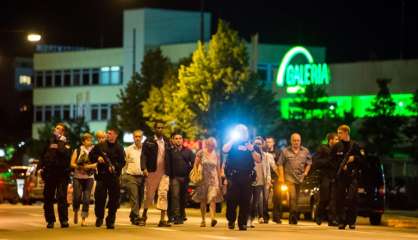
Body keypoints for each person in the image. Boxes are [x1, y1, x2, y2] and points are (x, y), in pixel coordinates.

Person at [223, 124, 261, 231]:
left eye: (243, 131)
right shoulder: (232, 143)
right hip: (234, 176)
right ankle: (231, 220)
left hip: (247, 177)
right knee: (231, 200)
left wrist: (251, 150)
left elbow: (258, 160)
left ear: (246, 133)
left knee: (245, 201)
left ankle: (242, 223)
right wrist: (232, 139)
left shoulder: (252, 145)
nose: (241, 133)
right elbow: (224, 150)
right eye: (238, 131)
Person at [89, 128, 125, 229]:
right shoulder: (100, 146)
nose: (107, 135)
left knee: (114, 200)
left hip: (113, 177)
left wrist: (115, 166)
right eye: (107, 133)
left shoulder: (119, 147)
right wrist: (97, 158)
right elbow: (90, 155)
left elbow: (122, 162)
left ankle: (110, 220)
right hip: (101, 177)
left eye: (110, 133)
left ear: (115, 135)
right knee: (100, 199)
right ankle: (99, 216)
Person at [38, 123, 72, 229]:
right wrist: (40, 167)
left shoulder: (67, 142)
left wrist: (61, 140)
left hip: (62, 174)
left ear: (63, 132)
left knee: (61, 197)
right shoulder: (49, 141)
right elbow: (43, 155)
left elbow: (63, 152)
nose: (56, 130)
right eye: (56, 128)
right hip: (50, 174)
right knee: (48, 197)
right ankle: (50, 220)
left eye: (59, 129)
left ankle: (64, 220)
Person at [331, 125, 364, 230]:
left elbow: (363, 160)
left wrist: (354, 158)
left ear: (346, 133)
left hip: (353, 176)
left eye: (340, 133)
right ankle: (342, 221)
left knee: (352, 199)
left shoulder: (355, 146)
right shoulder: (337, 146)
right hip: (341, 176)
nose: (338, 135)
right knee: (340, 199)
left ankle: (351, 222)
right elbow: (332, 160)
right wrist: (340, 166)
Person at [140, 121, 172, 227]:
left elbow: (171, 157)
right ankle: (144, 215)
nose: (160, 129)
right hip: (152, 172)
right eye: (158, 128)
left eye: (162, 128)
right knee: (148, 195)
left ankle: (162, 219)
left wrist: (171, 171)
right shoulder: (149, 141)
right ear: (154, 129)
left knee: (163, 194)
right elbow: (143, 155)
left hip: (164, 172)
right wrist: (144, 168)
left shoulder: (167, 141)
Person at [278, 133, 312, 225]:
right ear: (291, 141)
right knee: (292, 197)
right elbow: (280, 164)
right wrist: (281, 176)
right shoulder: (285, 151)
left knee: (296, 198)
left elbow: (309, 162)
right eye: (294, 140)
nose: (296, 142)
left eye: (298, 140)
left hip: (300, 178)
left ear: (300, 141)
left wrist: (306, 172)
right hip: (289, 178)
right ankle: (293, 217)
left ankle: (292, 215)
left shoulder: (305, 151)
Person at [192, 137, 223, 227]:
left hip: (213, 180)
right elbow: (195, 165)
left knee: (212, 198)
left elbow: (218, 169)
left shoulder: (216, 154)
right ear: (207, 144)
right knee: (203, 200)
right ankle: (203, 219)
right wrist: (196, 175)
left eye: (213, 145)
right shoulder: (201, 153)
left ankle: (213, 218)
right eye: (210, 145)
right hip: (203, 179)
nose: (212, 147)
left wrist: (220, 182)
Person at [313, 132, 339, 226]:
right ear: (330, 140)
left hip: (335, 177)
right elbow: (315, 161)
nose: (337, 141)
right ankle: (319, 215)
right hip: (325, 176)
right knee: (325, 198)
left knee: (333, 199)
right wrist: (328, 161)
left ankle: (332, 220)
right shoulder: (322, 149)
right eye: (336, 139)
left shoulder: (339, 150)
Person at [70, 133, 96, 226]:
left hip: (89, 178)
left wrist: (89, 166)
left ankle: (83, 219)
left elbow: (97, 163)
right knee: (77, 197)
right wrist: (80, 166)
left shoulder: (93, 150)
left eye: (91, 140)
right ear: (83, 141)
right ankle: (76, 211)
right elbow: (72, 163)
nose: (90, 142)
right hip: (78, 177)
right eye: (88, 140)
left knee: (86, 199)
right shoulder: (77, 150)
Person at [168, 132, 195, 224]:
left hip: (185, 178)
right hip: (174, 177)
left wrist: (191, 172)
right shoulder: (169, 151)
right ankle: (176, 216)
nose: (178, 140)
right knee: (175, 196)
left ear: (182, 140)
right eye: (176, 138)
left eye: (180, 138)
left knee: (183, 198)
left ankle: (182, 214)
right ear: (172, 140)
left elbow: (194, 163)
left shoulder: (188, 151)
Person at [124, 130, 147, 225]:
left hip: (143, 177)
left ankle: (132, 216)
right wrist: (123, 174)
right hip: (131, 176)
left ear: (142, 138)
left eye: (139, 136)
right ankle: (137, 217)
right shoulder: (128, 149)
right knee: (134, 197)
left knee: (140, 198)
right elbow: (124, 163)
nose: (137, 138)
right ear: (133, 137)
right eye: (135, 136)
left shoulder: (145, 150)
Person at [248, 137, 271, 227]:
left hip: (260, 182)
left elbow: (267, 169)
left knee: (255, 202)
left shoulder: (265, 156)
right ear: (253, 144)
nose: (258, 145)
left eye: (259, 143)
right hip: (250, 181)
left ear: (262, 144)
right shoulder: (250, 154)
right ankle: (247, 218)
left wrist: (268, 179)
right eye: (256, 143)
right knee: (249, 201)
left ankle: (252, 219)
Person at [264, 136, 283, 224]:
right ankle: (265, 217)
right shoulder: (262, 151)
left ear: (273, 143)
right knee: (265, 198)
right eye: (267, 142)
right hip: (265, 176)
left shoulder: (278, 152)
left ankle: (276, 217)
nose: (268, 144)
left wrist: (281, 176)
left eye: (270, 142)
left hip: (276, 176)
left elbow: (280, 165)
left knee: (277, 197)